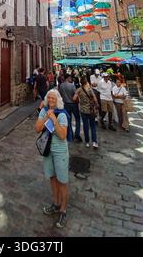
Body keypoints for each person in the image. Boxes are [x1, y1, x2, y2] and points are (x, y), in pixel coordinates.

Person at [35, 89, 69, 228]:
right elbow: (37, 128)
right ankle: (55, 203)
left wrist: (54, 119)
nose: (50, 101)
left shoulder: (62, 114)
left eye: (53, 99)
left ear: (58, 100)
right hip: (47, 150)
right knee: (52, 178)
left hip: (60, 151)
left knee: (62, 181)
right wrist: (45, 118)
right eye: (48, 98)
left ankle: (63, 209)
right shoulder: (44, 111)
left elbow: (62, 135)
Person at [74, 76, 99, 148]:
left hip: (83, 110)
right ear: (86, 82)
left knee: (85, 126)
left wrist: (80, 101)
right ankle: (94, 142)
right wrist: (95, 104)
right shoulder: (90, 89)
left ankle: (87, 142)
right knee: (93, 126)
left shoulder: (78, 90)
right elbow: (95, 99)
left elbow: (74, 98)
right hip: (91, 110)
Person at [59, 74, 82, 142]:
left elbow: (61, 95)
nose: (71, 79)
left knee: (68, 120)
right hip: (73, 104)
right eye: (70, 78)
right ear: (68, 78)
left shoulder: (61, 85)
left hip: (66, 104)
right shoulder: (72, 85)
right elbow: (75, 95)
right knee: (77, 119)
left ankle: (70, 135)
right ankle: (77, 134)